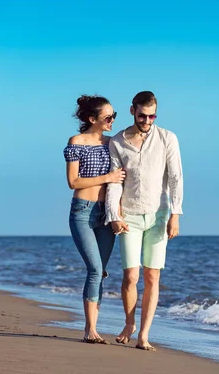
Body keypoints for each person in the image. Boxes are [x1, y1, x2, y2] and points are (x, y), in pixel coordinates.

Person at [105, 91, 183, 351]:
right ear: (132, 111)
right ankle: (129, 323)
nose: (147, 120)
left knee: (152, 276)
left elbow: (175, 178)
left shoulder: (167, 138)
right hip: (129, 216)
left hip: (159, 215)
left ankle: (144, 335)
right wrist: (114, 216)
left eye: (152, 116)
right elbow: (115, 182)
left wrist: (175, 215)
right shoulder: (117, 142)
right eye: (142, 115)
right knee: (130, 276)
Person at [64, 95, 126, 344]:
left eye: (114, 116)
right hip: (82, 211)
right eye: (107, 117)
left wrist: (117, 215)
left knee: (100, 273)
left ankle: (93, 329)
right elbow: (73, 182)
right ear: (92, 119)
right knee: (95, 269)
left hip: (106, 215)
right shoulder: (76, 142)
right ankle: (89, 330)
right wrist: (108, 177)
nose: (112, 120)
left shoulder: (113, 143)